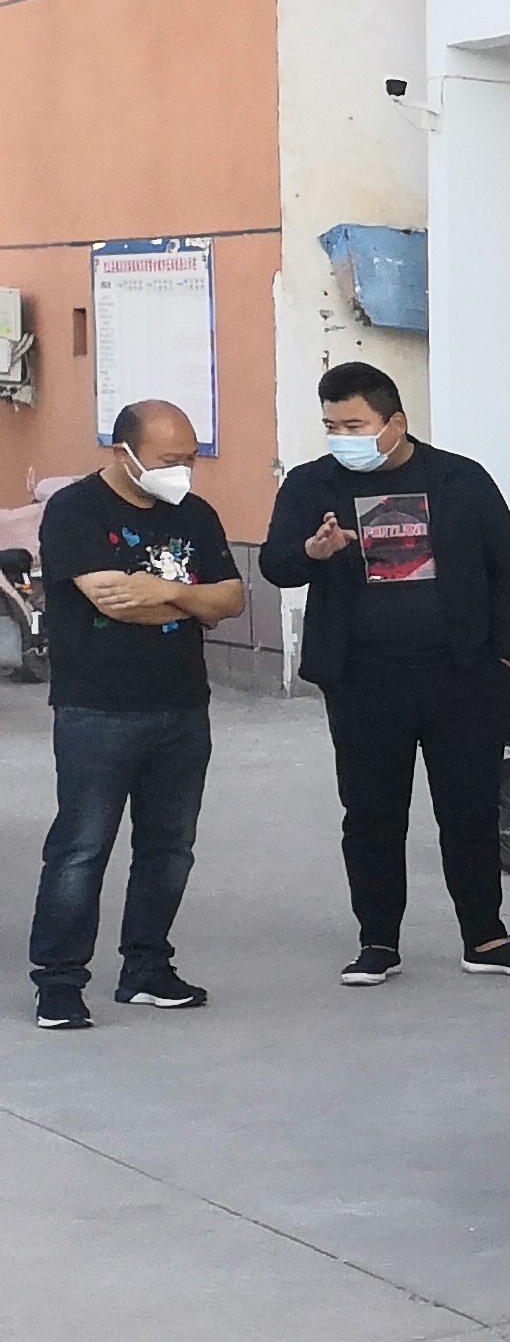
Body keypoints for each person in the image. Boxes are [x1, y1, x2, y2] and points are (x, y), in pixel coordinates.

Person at [258, 362, 510, 983]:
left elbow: (506, 566)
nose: (342, 437)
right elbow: (276, 564)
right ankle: (378, 941)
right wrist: (313, 551)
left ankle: (485, 937)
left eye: (355, 425)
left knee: (468, 809)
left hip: (461, 676)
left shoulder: (460, 479)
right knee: (371, 813)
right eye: (332, 425)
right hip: (362, 679)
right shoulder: (311, 485)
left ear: (396, 423)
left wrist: (504, 656)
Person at [26, 401, 241, 1028]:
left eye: (190, 458)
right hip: (98, 708)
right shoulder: (76, 510)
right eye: (170, 459)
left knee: (170, 848)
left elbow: (231, 597)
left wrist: (167, 590)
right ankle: (59, 981)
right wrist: (193, 604)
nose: (183, 471)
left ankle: (147, 968)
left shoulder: (195, 513)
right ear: (124, 453)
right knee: (81, 848)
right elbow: (114, 602)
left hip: (183, 707)